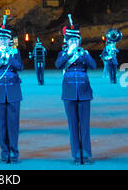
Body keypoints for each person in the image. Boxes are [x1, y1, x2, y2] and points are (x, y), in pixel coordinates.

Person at [55, 15, 96, 165]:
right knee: (73, 125)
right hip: (69, 93)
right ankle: (76, 154)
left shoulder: (84, 53)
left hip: (84, 93)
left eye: (75, 40)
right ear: (67, 41)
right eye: (70, 40)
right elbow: (58, 65)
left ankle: (85, 153)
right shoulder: (63, 54)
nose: (73, 42)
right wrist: (68, 53)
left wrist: (82, 54)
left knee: (84, 125)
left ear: (79, 40)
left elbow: (93, 66)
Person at [0, 15, 23, 164]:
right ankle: (4, 153)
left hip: (13, 92)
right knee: (1, 125)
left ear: (9, 40)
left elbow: (20, 66)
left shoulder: (15, 52)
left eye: (6, 39)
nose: (4, 41)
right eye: (1, 39)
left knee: (13, 124)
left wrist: (10, 57)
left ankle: (14, 153)